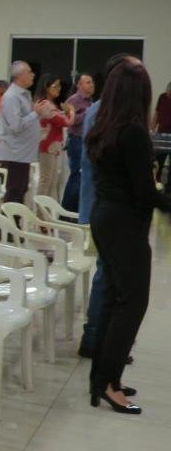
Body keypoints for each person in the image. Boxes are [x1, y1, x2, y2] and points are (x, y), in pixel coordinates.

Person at [87, 61, 171, 415]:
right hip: (124, 223)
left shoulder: (103, 126)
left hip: (106, 218)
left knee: (113, 299)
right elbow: (143, 192)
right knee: (131, 304)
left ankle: (103, 379)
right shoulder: (133, 132)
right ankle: (108, 382)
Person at [78, 54, 142, 360]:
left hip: (108, 206)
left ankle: (103, 339)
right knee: (107, 274)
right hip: (103, 206)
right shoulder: (101, 113)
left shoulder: (111, 113)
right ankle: (94, 338)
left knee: (111, 274)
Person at [0, 61, 53, 204]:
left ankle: (14, 222)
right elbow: (16, 125)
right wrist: (35, 113)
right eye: (29, 72)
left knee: (21, 190)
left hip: (23, 153)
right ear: (19, 76)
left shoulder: (23, 95)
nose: (33, 75)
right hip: (15, 152)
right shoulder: (12, 97)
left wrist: (39, 113)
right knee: (15, 191)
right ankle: (10, 224)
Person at [35, 73, 74, 199]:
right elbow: (65, 122)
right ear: (46, 87)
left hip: (53, 147)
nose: (58, 89)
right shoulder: (45, 105)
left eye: (59, 86)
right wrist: (71, 112)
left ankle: (45, 211)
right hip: (48, 146)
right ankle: (40, 213)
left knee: (51, 181)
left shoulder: (49, 104)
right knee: (46, 180)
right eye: (55, 86)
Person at [61, 73, 94, 211]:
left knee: (83, 175)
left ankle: (75, 210)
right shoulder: (73, 101)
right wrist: (87, 113)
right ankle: (66, 210)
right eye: (88, 82)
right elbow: (70, 121)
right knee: (77, 175)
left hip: (86, 141)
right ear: (79, 85)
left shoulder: (90, 102)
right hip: (76, 141)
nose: (92, 85)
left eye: (92, 82)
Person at [151, 81, 171, 194]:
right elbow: (157, 113)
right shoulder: (162, 97)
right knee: (159, 161)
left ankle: (169, 188)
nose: (168, 95)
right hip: (161, 135)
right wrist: (152, 128)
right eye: (168, 93)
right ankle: (156, 183)